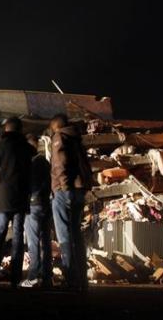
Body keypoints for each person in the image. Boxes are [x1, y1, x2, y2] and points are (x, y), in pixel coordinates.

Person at [0, 117, 33, 287]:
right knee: (18, 236)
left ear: (7, 129)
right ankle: (15, 277)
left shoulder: (2, 146)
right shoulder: (28, 149)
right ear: (20, 130)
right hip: (22, 198)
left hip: (4, 198)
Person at [49, 113, 93, 290]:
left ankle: (70, 278)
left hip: (65, 192)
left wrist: (65, 189)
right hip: (79, 191)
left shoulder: (59, 137)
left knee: (65, 236)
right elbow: (86, 166)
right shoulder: (77, 139)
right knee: (76, 234)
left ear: (55, 126)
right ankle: (82, 279)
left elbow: (60, 164)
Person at [20, 133, 52, 288]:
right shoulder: (45, 162)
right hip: (46, 204)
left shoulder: (29, 163)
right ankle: (47, 277)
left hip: (33, 205)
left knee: (33, 242)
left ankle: (33, 276)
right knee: (45, 241)